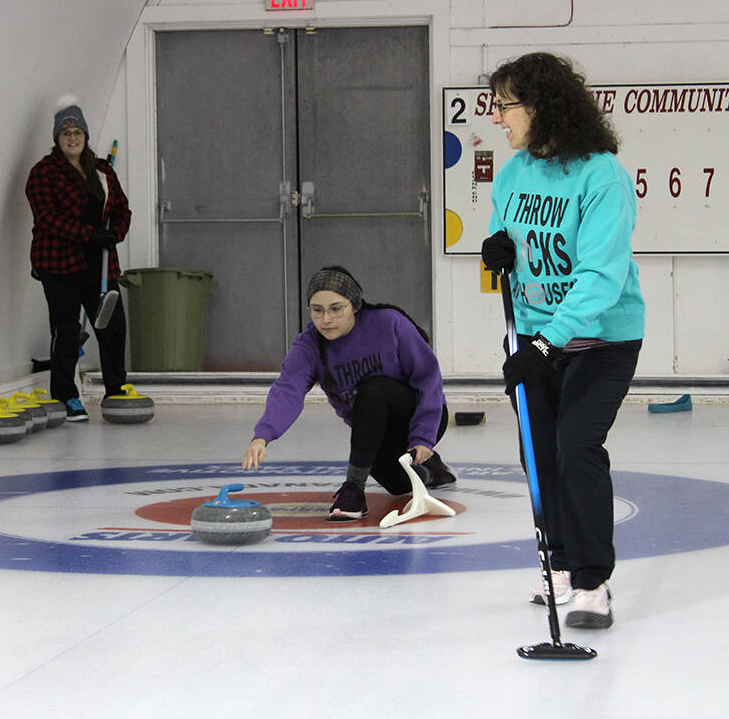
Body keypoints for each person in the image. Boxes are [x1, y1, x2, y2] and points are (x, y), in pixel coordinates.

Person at [480, 52, 644, 629]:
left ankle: (592, 581)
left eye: (505, 106)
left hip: (600, 341)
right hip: (532, 334)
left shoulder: (603, 177)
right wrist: (494, 253)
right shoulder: (513, 174)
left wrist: (546, 345)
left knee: (575, 446)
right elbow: (507, 246)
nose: (497, 118)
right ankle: (560, 562)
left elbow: (602, 278)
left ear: (542, 105)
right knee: (538, 452)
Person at [241, 266, 455, 520]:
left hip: (420, 416)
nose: (326, 320)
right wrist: (262, 437)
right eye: (317, 311)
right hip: (374, 431)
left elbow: (428, 377)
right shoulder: (309, 345)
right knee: (398, 487)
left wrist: (423, 436)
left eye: (336, 309)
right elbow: (288, 390)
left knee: (372, 390)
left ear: (354, 305)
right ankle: (431, 470)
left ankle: (354, 489)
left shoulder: (388, 323)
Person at [25, 96, 131, 422]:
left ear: (85, 136)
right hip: (59, 265)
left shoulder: (101, 171)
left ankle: (116, 390)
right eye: (66, 133)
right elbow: (47, 218)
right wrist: (89, 234)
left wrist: (115, 234)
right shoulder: (44, 172)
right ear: (57, 139)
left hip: (99, 264)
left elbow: (121, 209)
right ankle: (66, 396)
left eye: (78, 132)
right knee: (66, 330)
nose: (73, 138)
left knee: (112, 327)